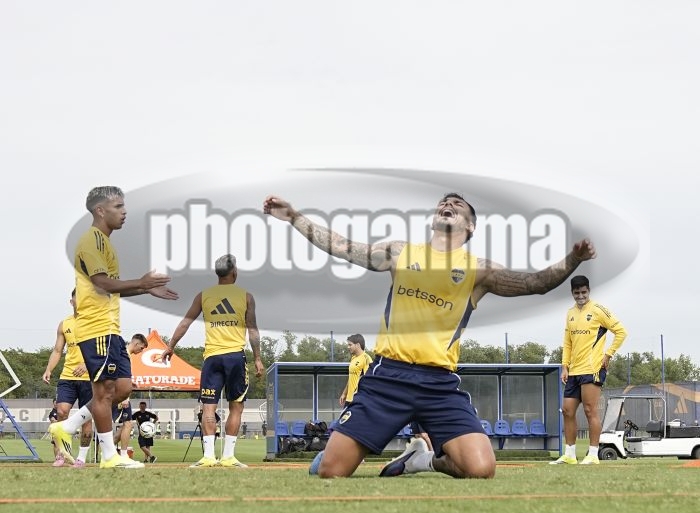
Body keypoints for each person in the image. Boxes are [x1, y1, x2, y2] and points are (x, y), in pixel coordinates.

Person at [263, 193, 596, 479]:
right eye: (443, 203)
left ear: (470, 226)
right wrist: (293, 217)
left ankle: (422, 460)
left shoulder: (479, 270)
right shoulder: (400, 252)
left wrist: (574, 259)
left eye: (458, 205)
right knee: (330, 471)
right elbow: (341, 246)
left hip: (438, 385)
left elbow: (534, 283)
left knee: (481, 469)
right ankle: (333, 452)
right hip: (388, 378)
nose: (448, 204)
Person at [48, 186, 178, 470]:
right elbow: (102, 283)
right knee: (105, 392)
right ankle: (109, 456)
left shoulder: (106, 243)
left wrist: (144, 289)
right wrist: (141, 283)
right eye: (118, 206)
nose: (124, 211)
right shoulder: (90, 241)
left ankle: (67, 426)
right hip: (95, 329)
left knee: (122, 388)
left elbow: (112, 288)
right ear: (100, 210)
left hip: (111, 329)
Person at [162, 253, 265, 468]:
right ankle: (228, 457)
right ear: (234, 272)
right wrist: (257, 358)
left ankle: (209, 456)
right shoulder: (246, 296)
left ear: (217, 273)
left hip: (212, 358)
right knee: (236, 407)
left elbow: (185, 323)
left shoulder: (203, 296)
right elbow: (253, 330)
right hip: (235, 357)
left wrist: (170, 346)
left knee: (209, 407)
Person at [550, 275, 627, 465]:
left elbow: (621, 332)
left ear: (589, 291)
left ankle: (593, 454)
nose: (580, 296)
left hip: (592, 369)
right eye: (577, 293)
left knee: (590, 410)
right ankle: (570, 454)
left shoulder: (599, 310)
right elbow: (567, 343)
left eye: (583, 292)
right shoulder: (570, 313)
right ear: (572, 293)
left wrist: (608, 354)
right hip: (573, 371)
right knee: (567, 411)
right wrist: (565, 366)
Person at [42, 289, 94, 468]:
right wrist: (49, 369)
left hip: (89, 379)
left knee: (86, 419)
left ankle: (81, 459)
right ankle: (62, 454)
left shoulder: (95, 323)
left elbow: (102, 351)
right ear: (71, 302)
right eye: (77, 298)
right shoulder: (64, 324)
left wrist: (87, 364)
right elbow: (58, 350)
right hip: (67, 376)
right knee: (61, 412)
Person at [111, 334, 149, 458]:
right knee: (127, 424)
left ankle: (110, 451)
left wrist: (130, 384)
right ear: (136, 343)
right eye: (141, 348)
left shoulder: (126, 355)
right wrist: (125, 397)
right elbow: (117, 375)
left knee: (125, 425)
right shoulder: (124, 354)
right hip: (120, 396)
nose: (141, 351)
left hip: (120, 394)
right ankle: (123, 455)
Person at [339, 334, 373, 408]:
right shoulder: (353, 358)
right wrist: (344, 393)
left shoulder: (366, 358)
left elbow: (368, 381)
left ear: (357, 345)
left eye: (350, 345)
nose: (348, 347)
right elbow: (351, 378)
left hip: (358, 400)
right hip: (349, 399)